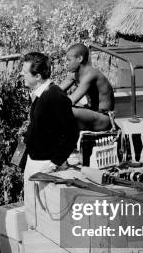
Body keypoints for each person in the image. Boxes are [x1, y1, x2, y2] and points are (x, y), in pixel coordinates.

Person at [21, 52, 79, 183]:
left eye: (25, 72)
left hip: (46, 166)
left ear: (37, 76)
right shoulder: (40, 95)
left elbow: (72, 133)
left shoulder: (55, 96)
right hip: (35, 161)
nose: (21, 74)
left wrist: (55, 163)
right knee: (31, 202)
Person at [59, 43, 115, 131]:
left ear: (80, 59)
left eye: (69, 60)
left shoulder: (91, 74)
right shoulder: (75, 74)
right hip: (90, 113)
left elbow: (71, 101)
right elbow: (56, 91)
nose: (66, 63)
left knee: (66, 110)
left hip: (103, 118)